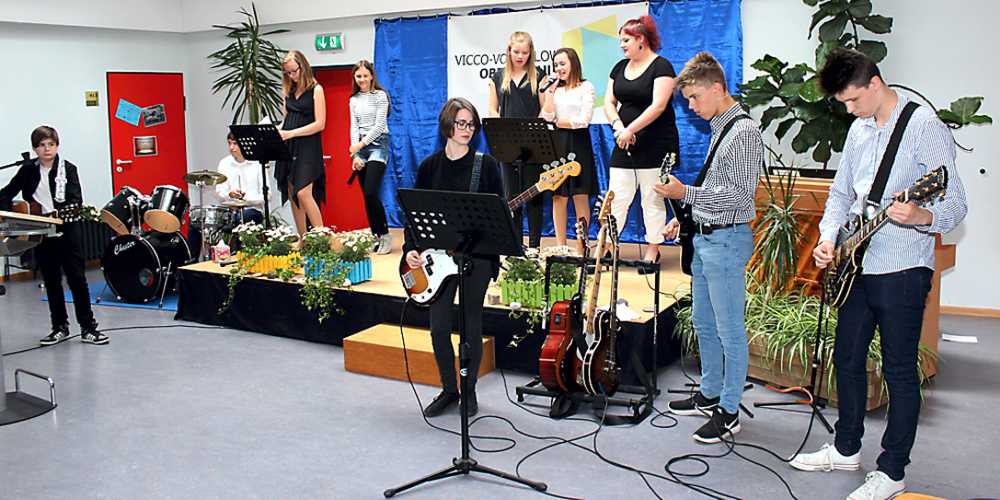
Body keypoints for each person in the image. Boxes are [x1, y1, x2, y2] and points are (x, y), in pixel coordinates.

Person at [790, 48, 967, 500]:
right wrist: (828, 238)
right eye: (843, 103)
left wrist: (921, 216)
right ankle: (846, 448)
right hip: (857, 265)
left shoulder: (923, 127)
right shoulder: (859, 129)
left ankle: (892, 472)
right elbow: (840, 195)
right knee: (847, 358)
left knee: (899, 370)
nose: (850, 110)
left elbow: (956, 204)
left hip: (902, 268)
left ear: (874, 83)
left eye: (853, 100)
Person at [656, 52, 762, 444]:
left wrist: (685, 193)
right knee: (703, 322)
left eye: (695, 97)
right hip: (705, 237)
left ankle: (729, 410)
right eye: (687, 99)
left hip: (727, 239)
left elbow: (739, 198)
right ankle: (711, 392)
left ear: (717, 88)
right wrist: (686, 215)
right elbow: (716, 189)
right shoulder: (722, 127)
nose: (691, 106)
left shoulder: (744, 132)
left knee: (729, 329)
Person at [403, 98, 505, 418]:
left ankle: (469, 390)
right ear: (447, 124)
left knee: (470, 324)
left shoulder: (486, 166)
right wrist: (411, 248)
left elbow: (499, 214)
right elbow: (415, 216)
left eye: (471, 124)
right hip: (438, 259)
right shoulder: (429, 167)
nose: (467, 129)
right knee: (439, 327)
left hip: (477, 257)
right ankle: (449, 389)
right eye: (461, 123)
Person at [0, 126, 107, 346]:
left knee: (77, 279)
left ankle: (88, 328)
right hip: (41, 233)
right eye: (41, 145)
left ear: (57, 146)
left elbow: (76, 201)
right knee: (51, 281)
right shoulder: (28, 170)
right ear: (35, 149)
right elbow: (6, 193)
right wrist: (12, 214)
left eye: (51, 144)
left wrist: (62, 213)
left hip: (67, 230)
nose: (47, 149)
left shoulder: (68, 169)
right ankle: (59, 327)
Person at [603, 15, 679, 264]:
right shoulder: (618, 68)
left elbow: (658, 106)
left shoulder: (662, 66)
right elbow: (609, 102)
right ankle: (608, 245)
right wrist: (619, 127)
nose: (622, 45)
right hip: (624, 142)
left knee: (652, 198)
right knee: (617, 196)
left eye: (626, 40)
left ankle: (652, 250)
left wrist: (630, 130)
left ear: (641, 40)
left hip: (656, 144)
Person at [487, 31, 546, 249]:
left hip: (533, 145)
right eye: (516, 52)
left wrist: (533, 131)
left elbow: (545, 110)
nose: (520, 56)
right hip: (507, 145)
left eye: (525, 52)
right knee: (512, 197)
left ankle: (535, 246)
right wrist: (502, 131)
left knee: (534, 196)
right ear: (509, 51)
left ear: (531, 53)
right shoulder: (497, 77)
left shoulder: (539, 76)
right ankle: (515, 247)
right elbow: (493, 110)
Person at [540, 48, 597, 254]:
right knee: (558, 196)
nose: (559, 68)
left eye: (562, 64)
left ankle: (582, 247)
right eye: (556, 65)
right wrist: (549, 93)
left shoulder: (586, 86)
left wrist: (559, 122)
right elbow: (546, 117)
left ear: (573, 63)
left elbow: (583, 120)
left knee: (580, 195)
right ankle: (561, 247)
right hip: (557, 145)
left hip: (579, 143)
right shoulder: (554, 89)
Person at [276, 49, 326, 237]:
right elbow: (286, 120)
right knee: (293, 194)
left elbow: (320, 123)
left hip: (308, 146)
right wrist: (276, 130)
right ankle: (303, 238)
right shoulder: (288, 91)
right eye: (287, 72)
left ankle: (321, 238)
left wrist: (291, 133)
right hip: (289, 145)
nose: (291, 76)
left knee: (304, 193)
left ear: (303, 67)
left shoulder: (316, 89)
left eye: (294, 71)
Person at [349, 60, 393, 255]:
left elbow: (379, 125)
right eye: (358, 76)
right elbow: (354, 127)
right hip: (361, 147)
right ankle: (376, 235)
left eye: (365, 76)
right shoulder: (353, 99)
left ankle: (385, 234)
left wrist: (361, 145)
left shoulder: (380, 96)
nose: (362, 79)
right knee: (366, 197)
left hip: (378, 144)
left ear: (372, 76)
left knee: (370, 192)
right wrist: (355, 155)